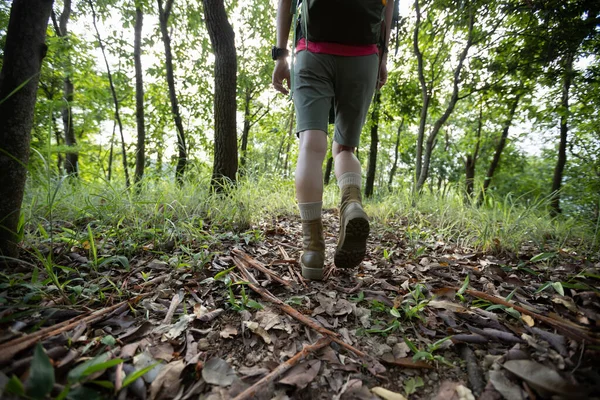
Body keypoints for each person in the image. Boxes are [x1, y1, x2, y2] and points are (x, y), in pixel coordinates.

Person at [272, 0, 393, 280]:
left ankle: (312, 248)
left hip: (312, 51)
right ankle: (351, 202)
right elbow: (388, 8)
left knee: (311, 146)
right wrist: (382, 59)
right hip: (364, 55)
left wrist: (281, 56)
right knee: (344, 148)